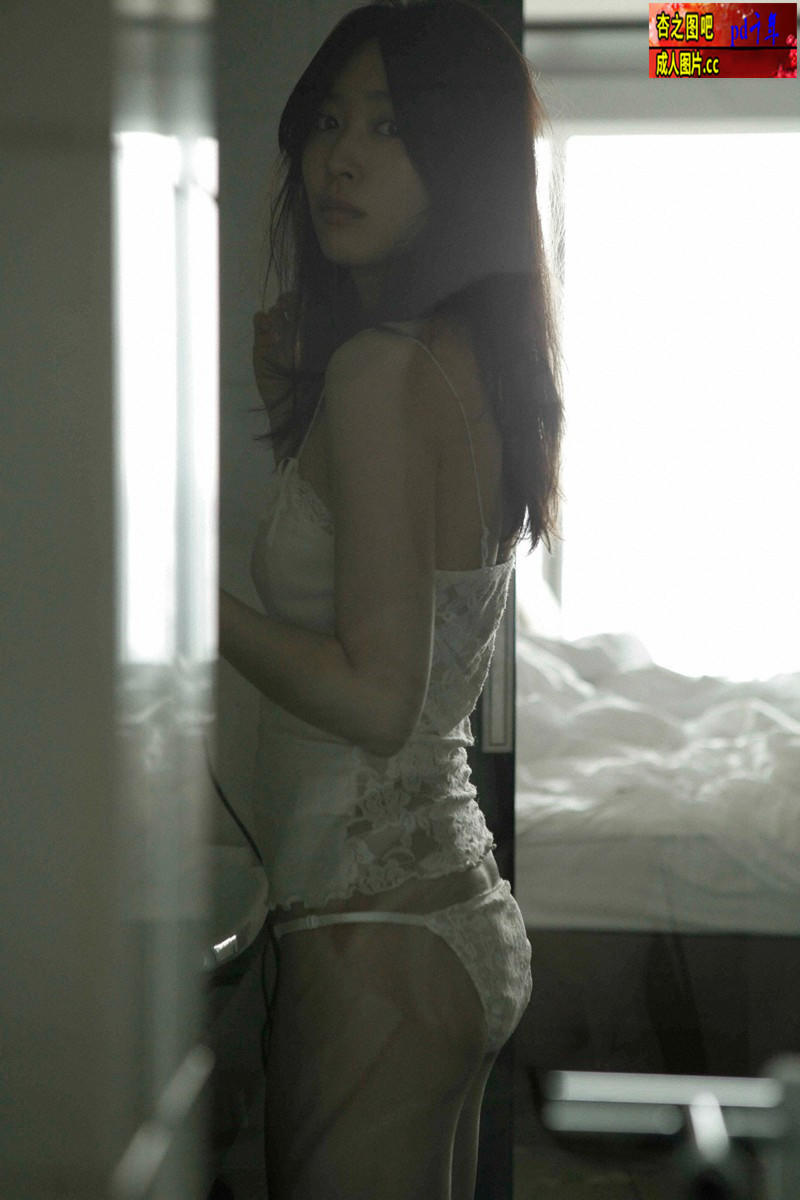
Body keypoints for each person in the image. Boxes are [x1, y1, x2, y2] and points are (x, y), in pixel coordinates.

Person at [218, 2, 564, 1196]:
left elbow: (374, 699)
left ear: (459, 161)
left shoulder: (381, 370)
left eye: (388, 127)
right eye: (328, 121)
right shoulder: (460, 357)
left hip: (371, 926)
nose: (341, 157)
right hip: (442, 911)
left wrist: (180, 606)